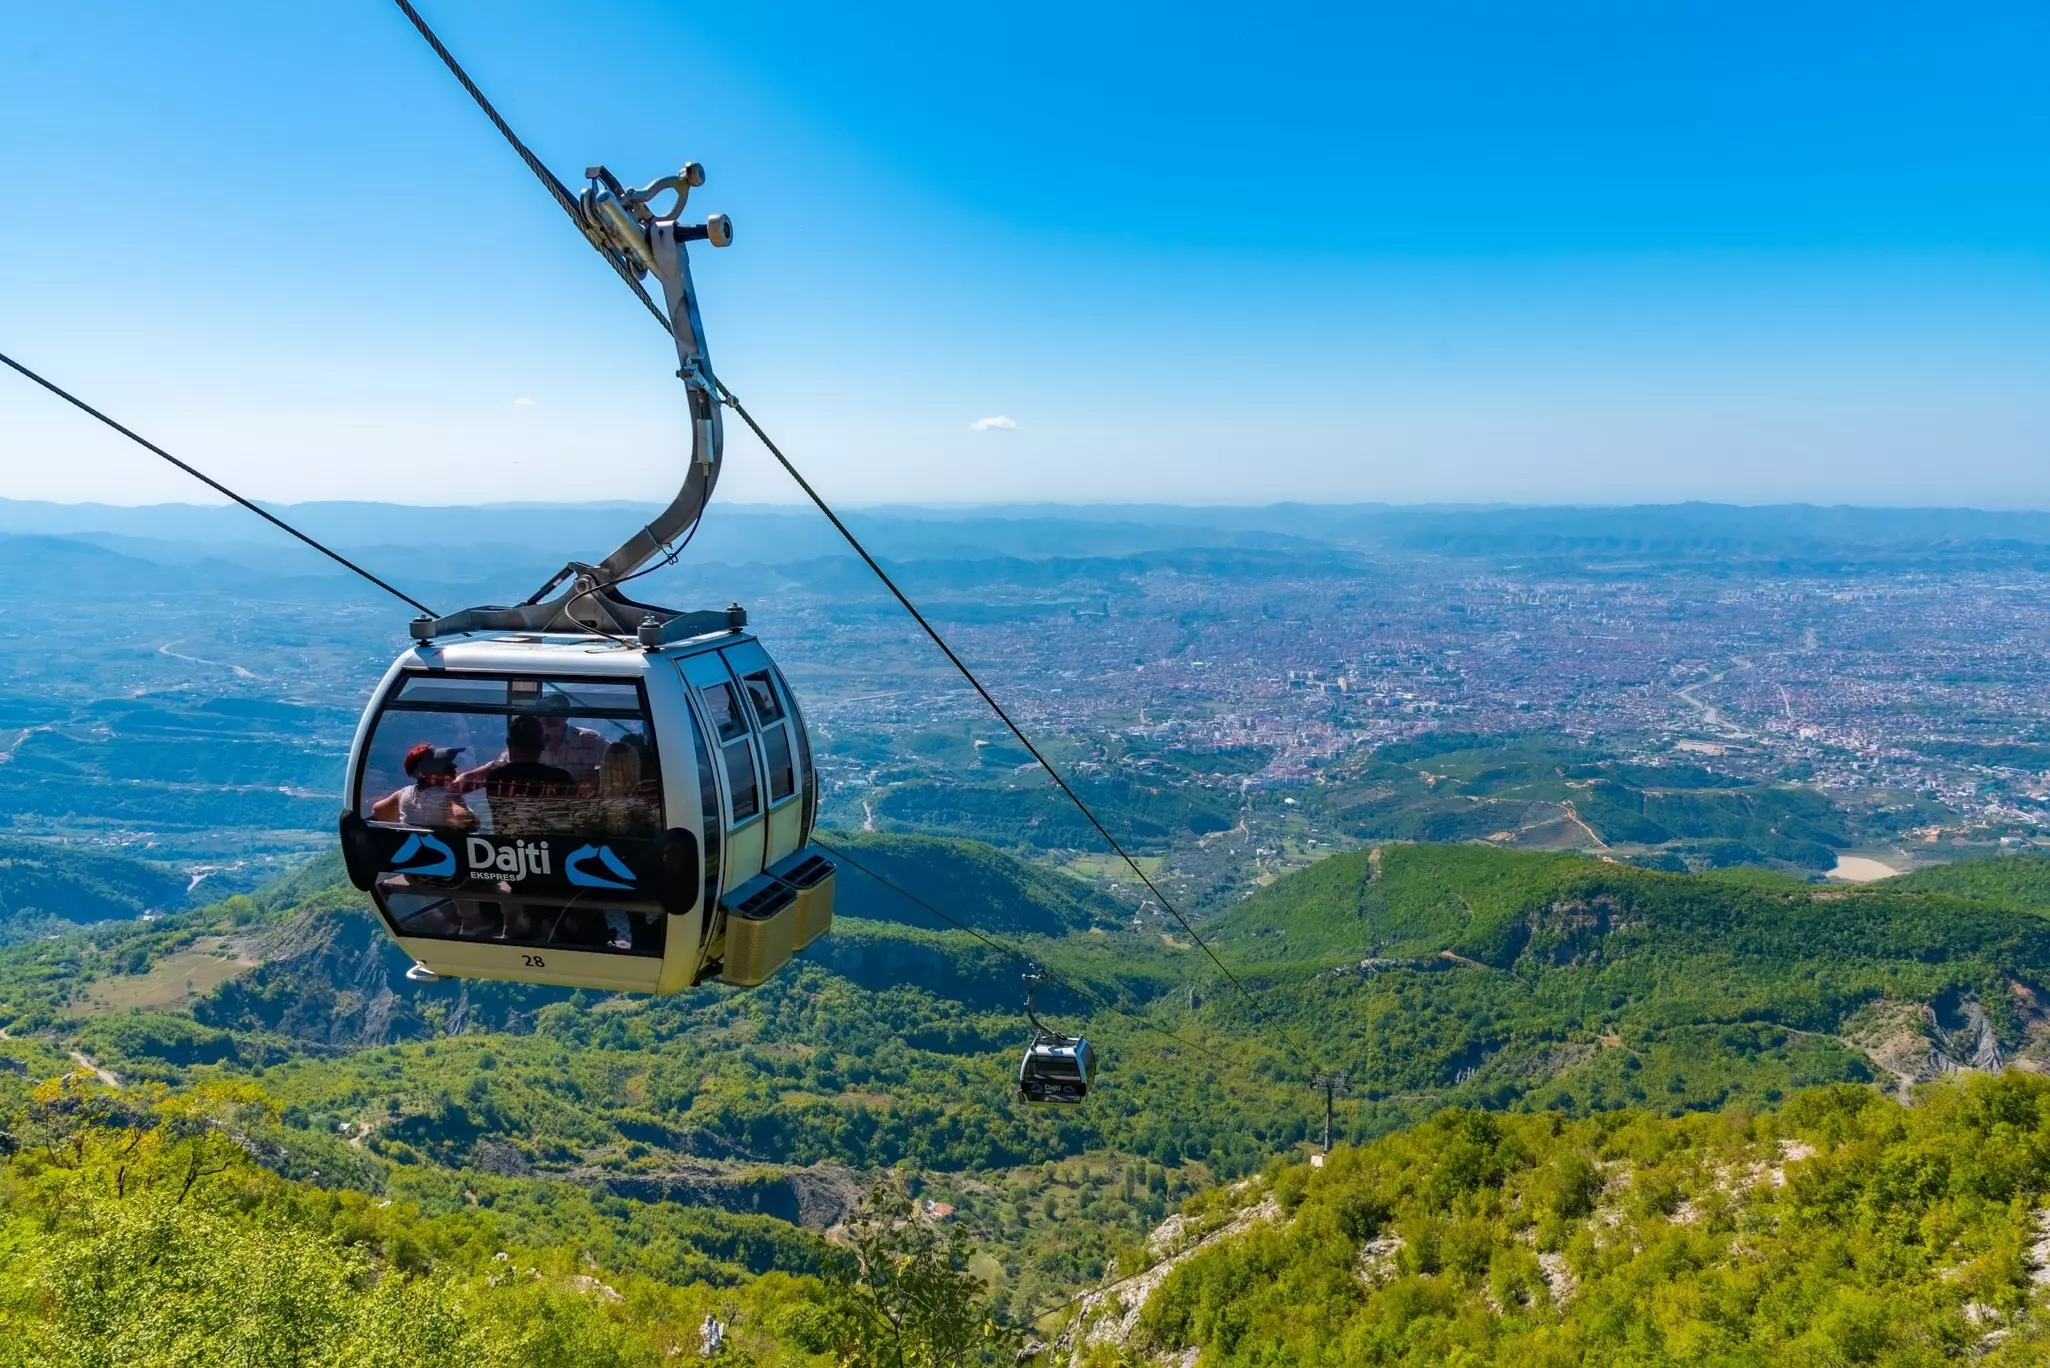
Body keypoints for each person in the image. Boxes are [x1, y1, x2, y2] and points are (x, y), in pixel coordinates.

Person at [371, 744, 477, 829]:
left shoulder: (404, 793)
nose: (453, 766)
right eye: (445, 765)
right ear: (425, 774)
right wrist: (455, 796)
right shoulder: (446, 796)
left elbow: (378, 811)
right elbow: (464, 822)